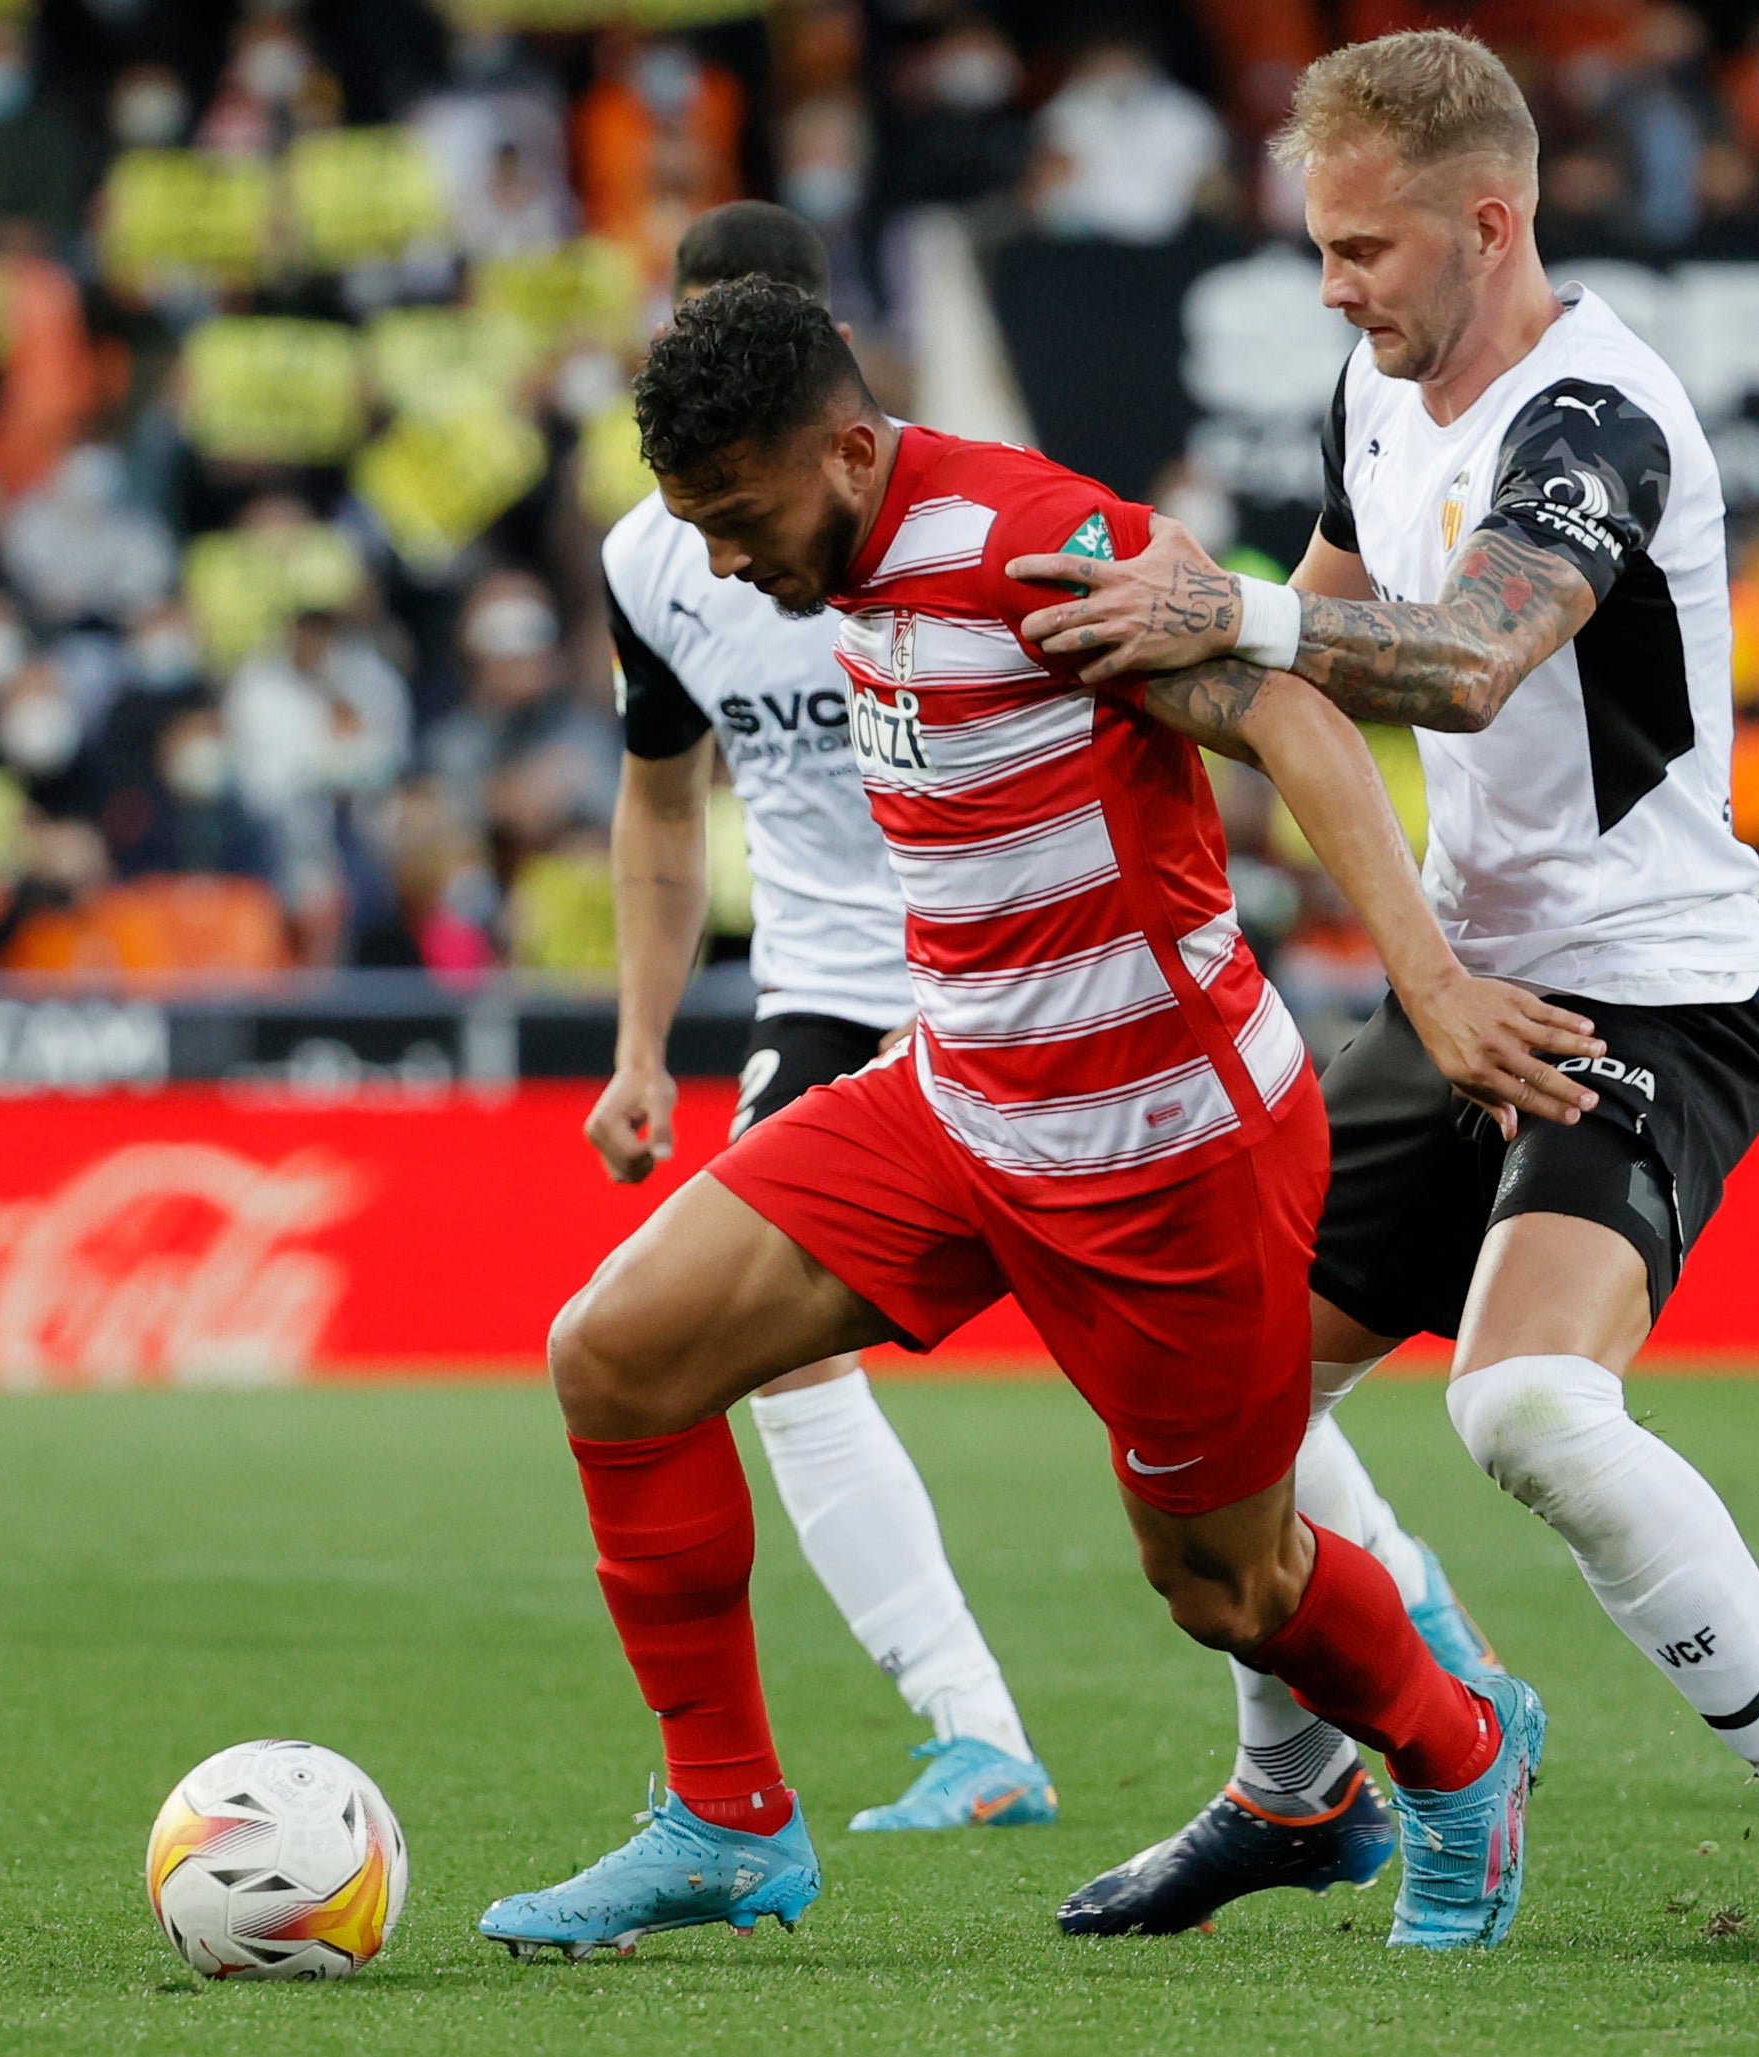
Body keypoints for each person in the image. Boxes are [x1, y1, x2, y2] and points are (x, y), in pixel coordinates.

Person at [479, 276, 1597, 1961]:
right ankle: (724, 1815)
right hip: (958, 1102)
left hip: (1167, 1151)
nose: (720, 561)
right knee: (613, 1354)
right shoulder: (841, 554)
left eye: (738, 518)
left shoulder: (1038, 550)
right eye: (691, 526)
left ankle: (1458, 1747)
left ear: (850, 449)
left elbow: (1286, 706)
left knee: (1229, 1583)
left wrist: (1430, 987)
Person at [1004, 29, 1759, 1963]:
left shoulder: (1596, 416)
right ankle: (1302, 1782)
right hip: (1463, 988)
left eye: (1363, 249)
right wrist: (1125, 661)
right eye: (1321, 248)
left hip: (1650, 1000)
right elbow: (1317, 657)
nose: (1332, 288)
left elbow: (1470, 657)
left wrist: (1238, 611)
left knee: (1526, 1408)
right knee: (1223, 1396)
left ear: (1486, 222)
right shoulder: (1375, 381)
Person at [586, 201, 1057, 1835]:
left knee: (1139, 1343)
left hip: (1015, 968)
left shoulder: (960, 509)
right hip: (833, 989)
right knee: (759, 1360)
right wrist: (643, 1046)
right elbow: (662, 809)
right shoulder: (660, 557)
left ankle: (1408, 1624)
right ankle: (975, 1728)